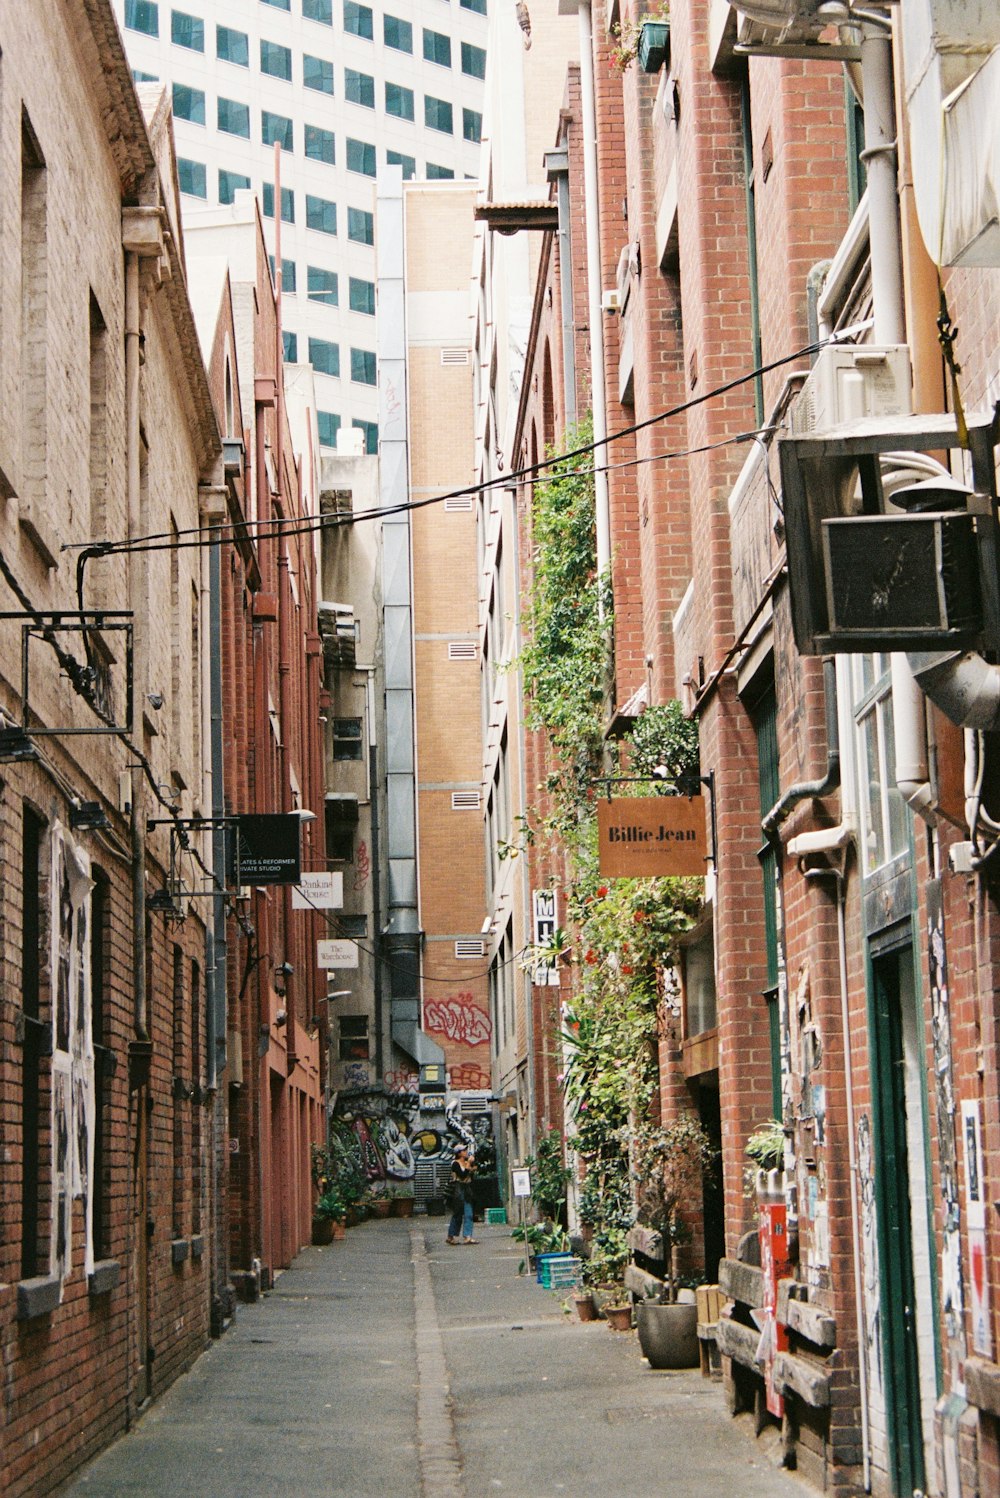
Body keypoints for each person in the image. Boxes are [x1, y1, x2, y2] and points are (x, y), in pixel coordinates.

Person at [446, 1147, 478, 1244]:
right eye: (464, 1151)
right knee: (457, 1213)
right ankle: (451, 1235)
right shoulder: (455, 1164)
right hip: (458, 1189)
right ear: (459, 1153)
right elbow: (462, 1175)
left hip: (467, 1189)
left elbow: (470, 1175)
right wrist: (468, 1164)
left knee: (469, 1213)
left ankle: (467, 1236)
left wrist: (472, 1167)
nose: (466, 1153)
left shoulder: (467, 1163)